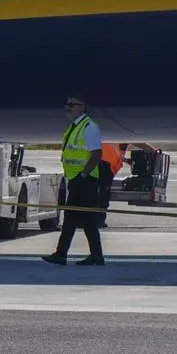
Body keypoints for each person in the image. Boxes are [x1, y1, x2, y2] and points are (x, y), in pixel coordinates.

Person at [42, 96, 106, 266]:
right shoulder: (75, 126)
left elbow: (97, 155)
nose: (67, 108)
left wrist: (83, 175)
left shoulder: (89, 127)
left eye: (71, 105)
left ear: (82, 107)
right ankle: (94, 256)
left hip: (84, 180)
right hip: (76, 179)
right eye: (67, 105)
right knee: (84, 220)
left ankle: (62, 254)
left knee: (74, 218)